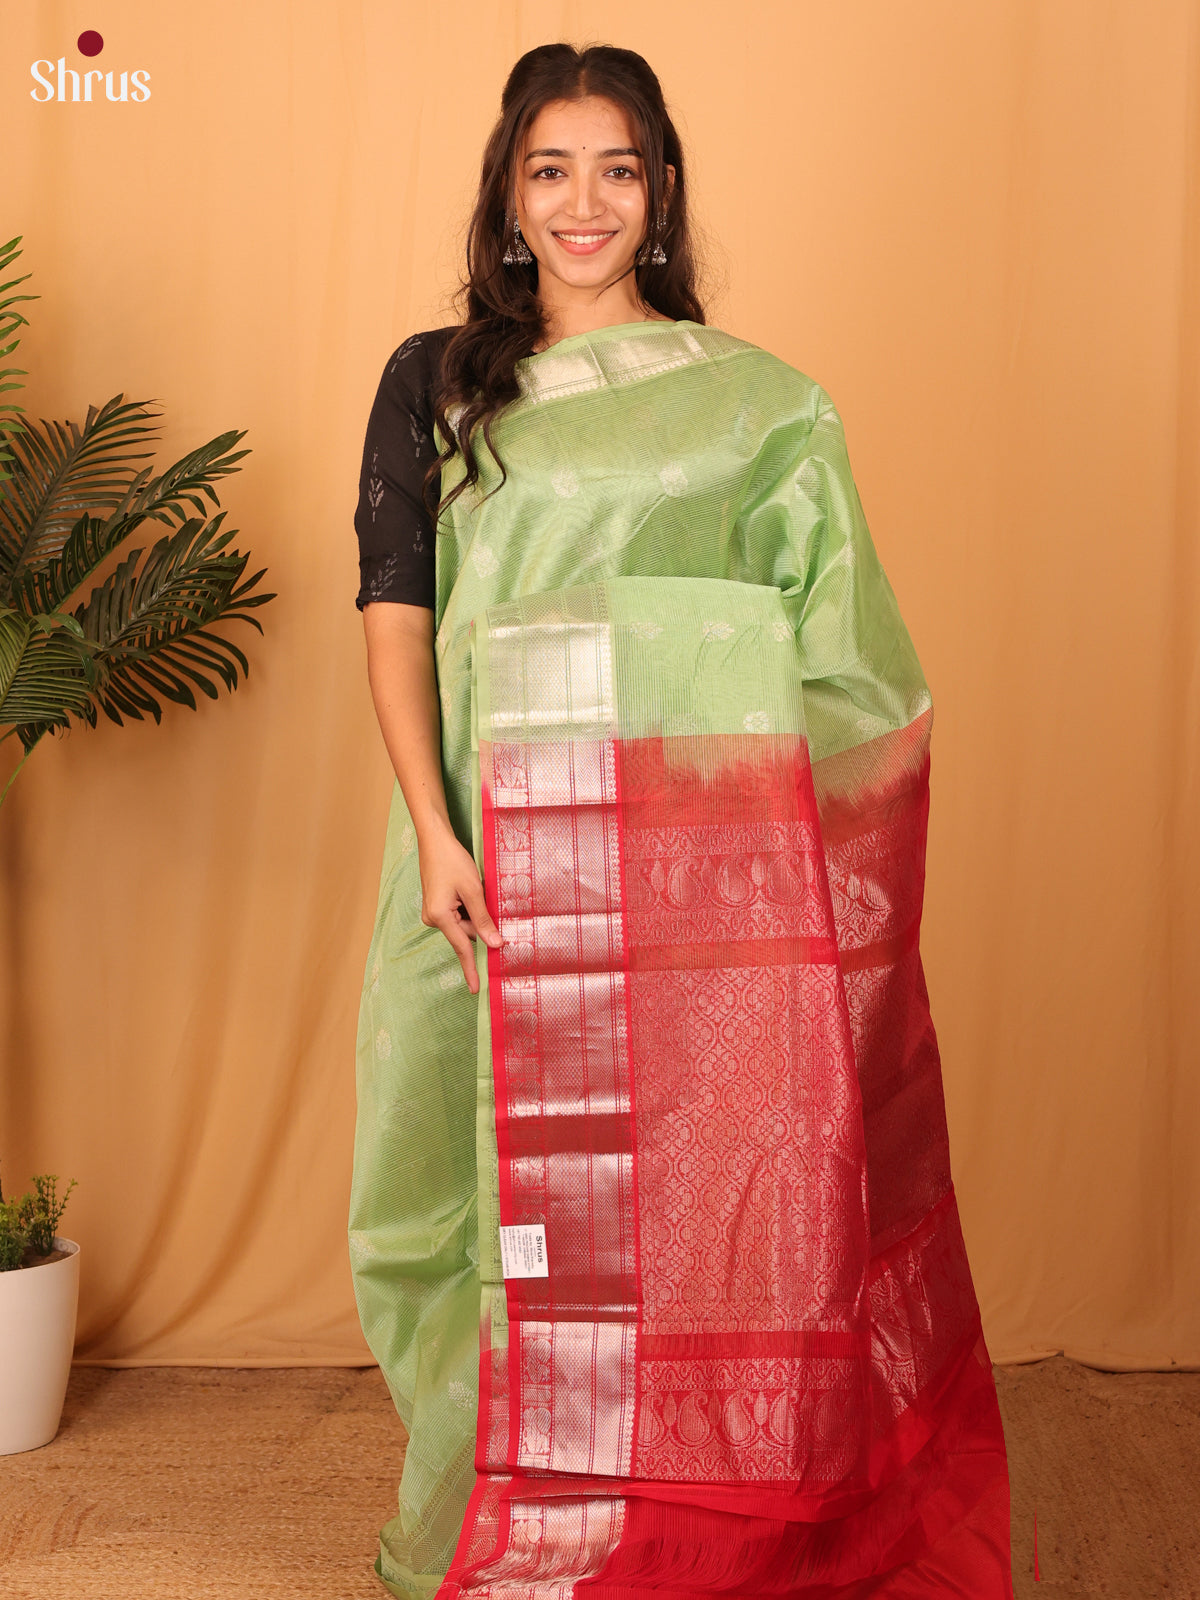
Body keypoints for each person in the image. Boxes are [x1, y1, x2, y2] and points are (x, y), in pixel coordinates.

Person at [350, 41, 1013, 1599]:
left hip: (693, 884)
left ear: (660, 194)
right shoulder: (436, 381)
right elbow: (396, 615)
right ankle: (513, 1507)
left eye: (618, 170)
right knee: (457, 1190)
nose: (584, 204)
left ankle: (685, 1525)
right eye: (551, 170)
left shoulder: (759, 409)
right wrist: (435, 829)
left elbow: (852, 669)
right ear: (509, 196)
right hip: (479, 853)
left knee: (684, 1205)